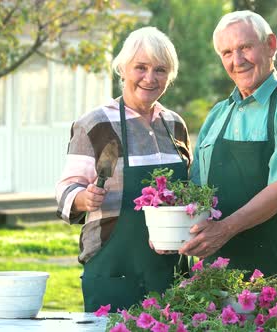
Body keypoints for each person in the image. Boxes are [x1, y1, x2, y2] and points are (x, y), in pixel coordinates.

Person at [179, 11, 277, 276]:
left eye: (245, 47)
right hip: (217, 272)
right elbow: (196, 190)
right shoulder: (217, 115)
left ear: (270, 45)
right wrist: (170, 231)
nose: (237, 61)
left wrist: (224, 229)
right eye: (227, 52)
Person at [55, 27, 192, 312]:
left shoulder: (174, 124)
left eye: (160, 70)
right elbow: (66, 190)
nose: (150, 78)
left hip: (170, 273)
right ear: (123, 69)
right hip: (113, 271)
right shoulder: (95, 124)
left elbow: (188, 192)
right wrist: (84, 198)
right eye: (140, 67)